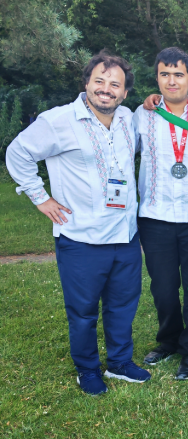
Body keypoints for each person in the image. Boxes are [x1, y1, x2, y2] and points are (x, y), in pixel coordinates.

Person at [6, 50, 151, 395]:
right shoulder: (59, 120)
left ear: (124, 92)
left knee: (122, 305)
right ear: (86, 82)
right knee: (83, 312)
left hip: (125, 235)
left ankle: (119, 362)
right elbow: (18, 152)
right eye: (99, 81)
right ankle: (87, 370)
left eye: (114, 84)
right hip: (81, 237)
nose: (106, 89)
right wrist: (41, 198)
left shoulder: (128, 118)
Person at [133, 47, 188, 381]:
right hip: (154, 216)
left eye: (178, 74)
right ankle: (168, 340)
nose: (171, 80)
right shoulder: (142, 115)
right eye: (164, 74)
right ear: (157, 79)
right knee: (163, 288)